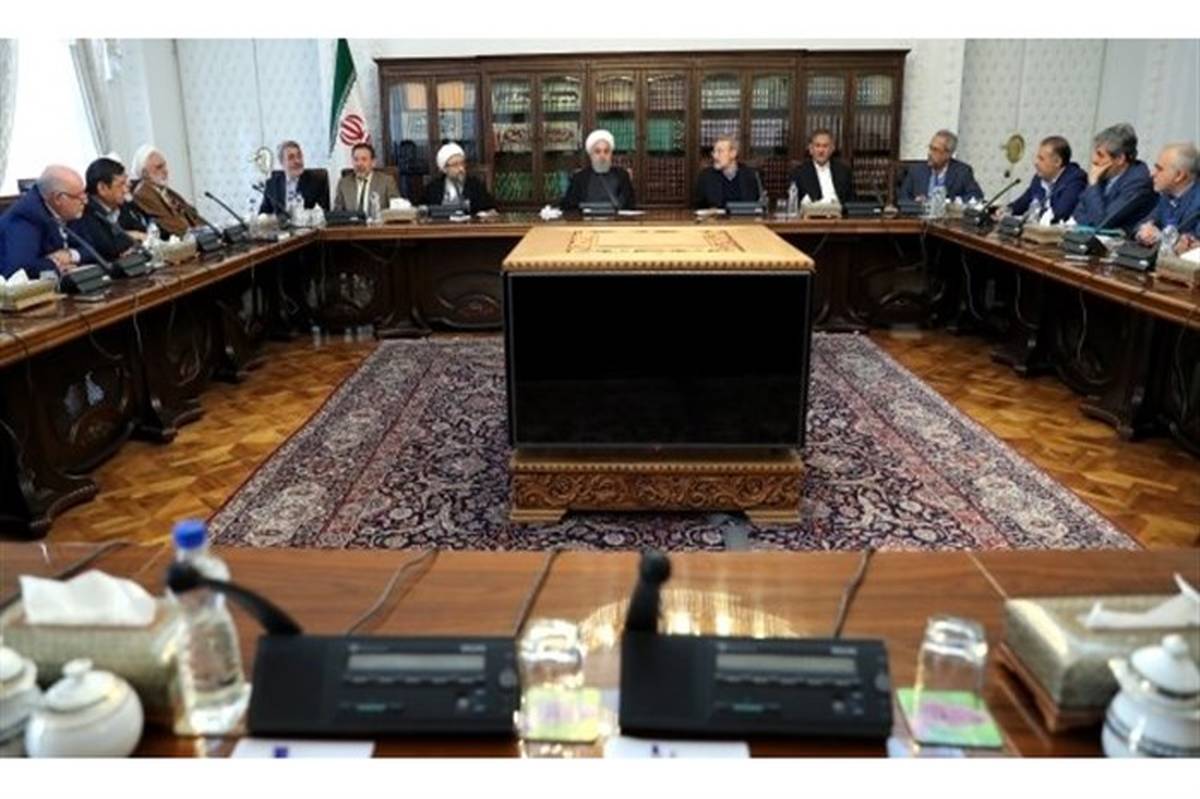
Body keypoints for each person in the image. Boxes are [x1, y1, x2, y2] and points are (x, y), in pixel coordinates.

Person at [0, 165, 89, 280]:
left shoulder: (68, 211)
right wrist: (54, 265)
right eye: (79, 196)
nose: (85, 201)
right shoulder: (28, 216)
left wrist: (70, 255)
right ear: (58, 198)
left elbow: (94, 249)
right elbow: (17, 271)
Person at [1073, 123, 1157, 236]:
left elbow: (1102, 223)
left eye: (1100, 155)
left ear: (1120, 159)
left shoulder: (1138, 182)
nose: (1094, 160)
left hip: (1124, 244)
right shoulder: (1104, 175)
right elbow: (1078, 212)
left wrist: (1093, 185)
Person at [67, 158, 146, 264]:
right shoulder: (86, 211)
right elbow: (107, 248)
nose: (126, 190)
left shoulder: (121, 205)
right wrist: (131, 236)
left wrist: (133, 245)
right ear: (102, 188)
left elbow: (142, 232)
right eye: (120, 185)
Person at [1004, 135, 1087, 223]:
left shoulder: (1075, 181)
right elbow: (1022, 203)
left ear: (1057, 162)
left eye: (1041, 159)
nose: (1036, 162)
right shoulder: (1038, 179)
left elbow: (1060, 213)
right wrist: (1007, 210)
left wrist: (1034, 214)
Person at [1135, 142, 1200, 248]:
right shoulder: (1167, 195)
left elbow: (1195, 245)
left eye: (1159, 169)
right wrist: (1143, 232)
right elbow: (1144, 223)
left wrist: (1161, 237)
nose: (1152, 174)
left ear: (1179, 175)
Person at [130, 144, 203, 237]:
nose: (165, 171)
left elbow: (193, 215)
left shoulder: (165, 191)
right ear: (145, 173)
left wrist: (210, 231)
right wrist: (197, 234)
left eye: (164, 165)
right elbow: (168, 223)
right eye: (159, 167)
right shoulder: (143, 194)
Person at [899, 129, 983, 203]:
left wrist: (951, 203)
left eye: (935, 150)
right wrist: (915, 202)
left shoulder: (962, 172)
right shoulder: (916, 170)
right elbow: (903, 197)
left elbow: (976, 196)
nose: (930, 153)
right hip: (920, 215)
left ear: (948, 154)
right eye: (930, 148)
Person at [560, 129, 636, 211]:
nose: (602, 156)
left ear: (611, 154)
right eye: (597, 151)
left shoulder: (622, 176)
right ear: (591, 155)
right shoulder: (579, 178)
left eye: (606, 151)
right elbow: (569, 207)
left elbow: (629, 205)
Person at [259, 140, 330, 215]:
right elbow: (263, 214)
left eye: (299, 156)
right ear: (282, 163)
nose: (297, 161)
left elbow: (324, 214)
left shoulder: (317, 181)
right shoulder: (272, 184)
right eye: (291, 157)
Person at [422, 142, 497, 213]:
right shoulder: (433, 188)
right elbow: (423, 210)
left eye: (462, 163)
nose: (461, 168)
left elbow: (490, 209)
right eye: (455, 165)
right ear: (444, 169)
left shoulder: (475, 185)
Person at [693, 135, 764, 209]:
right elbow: (698, 208)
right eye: (714, 152)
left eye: (720, 151)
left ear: (733, 153)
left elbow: (758, 205)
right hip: (716, 216)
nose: (715, 156)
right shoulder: (705, 177)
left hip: (744, 216)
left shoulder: (751, 176)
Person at [790, 129, 855, 203]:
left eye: (825, 146)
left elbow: (852, 201)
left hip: (839, 209)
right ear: (810, 149)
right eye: (817, 146)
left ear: (832, 149)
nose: (821, 150)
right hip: (813, 210)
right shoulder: (799, 173)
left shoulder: (844, 171)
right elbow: (794, 202)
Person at [333, 142, 401, 214]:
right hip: (352, 221)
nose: (359, 164)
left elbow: (396, 211)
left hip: (378, 221)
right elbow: (337, 213)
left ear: (373, 162)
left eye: (364, 159)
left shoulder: (387, 182)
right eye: (356, 159)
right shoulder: (343, 183)